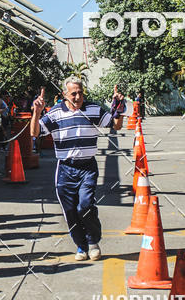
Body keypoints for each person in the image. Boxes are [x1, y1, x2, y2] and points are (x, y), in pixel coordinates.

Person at [30, 77, 125, 261]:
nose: (78, 97)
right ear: (65, 94)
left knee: (85, 205)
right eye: (73, 93)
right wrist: (37, 112)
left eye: (80, 93)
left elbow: (116, 125)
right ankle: (81, 246)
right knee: (70, 211)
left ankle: (93, 242)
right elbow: (34, 133)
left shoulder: (93, 109)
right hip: (65, 169)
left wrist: (119, 107)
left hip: (87, 167)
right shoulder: (55, 113)